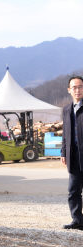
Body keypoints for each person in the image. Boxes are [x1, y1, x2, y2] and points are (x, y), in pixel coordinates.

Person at [61, 76, 83, 230]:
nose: (77, 90)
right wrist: (63, 152)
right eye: (74, 87)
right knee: (73, 191)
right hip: (73, 156)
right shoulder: (66, 110)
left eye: (80, 87)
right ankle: (78, 221)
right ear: (69, 90)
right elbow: (65, 133)